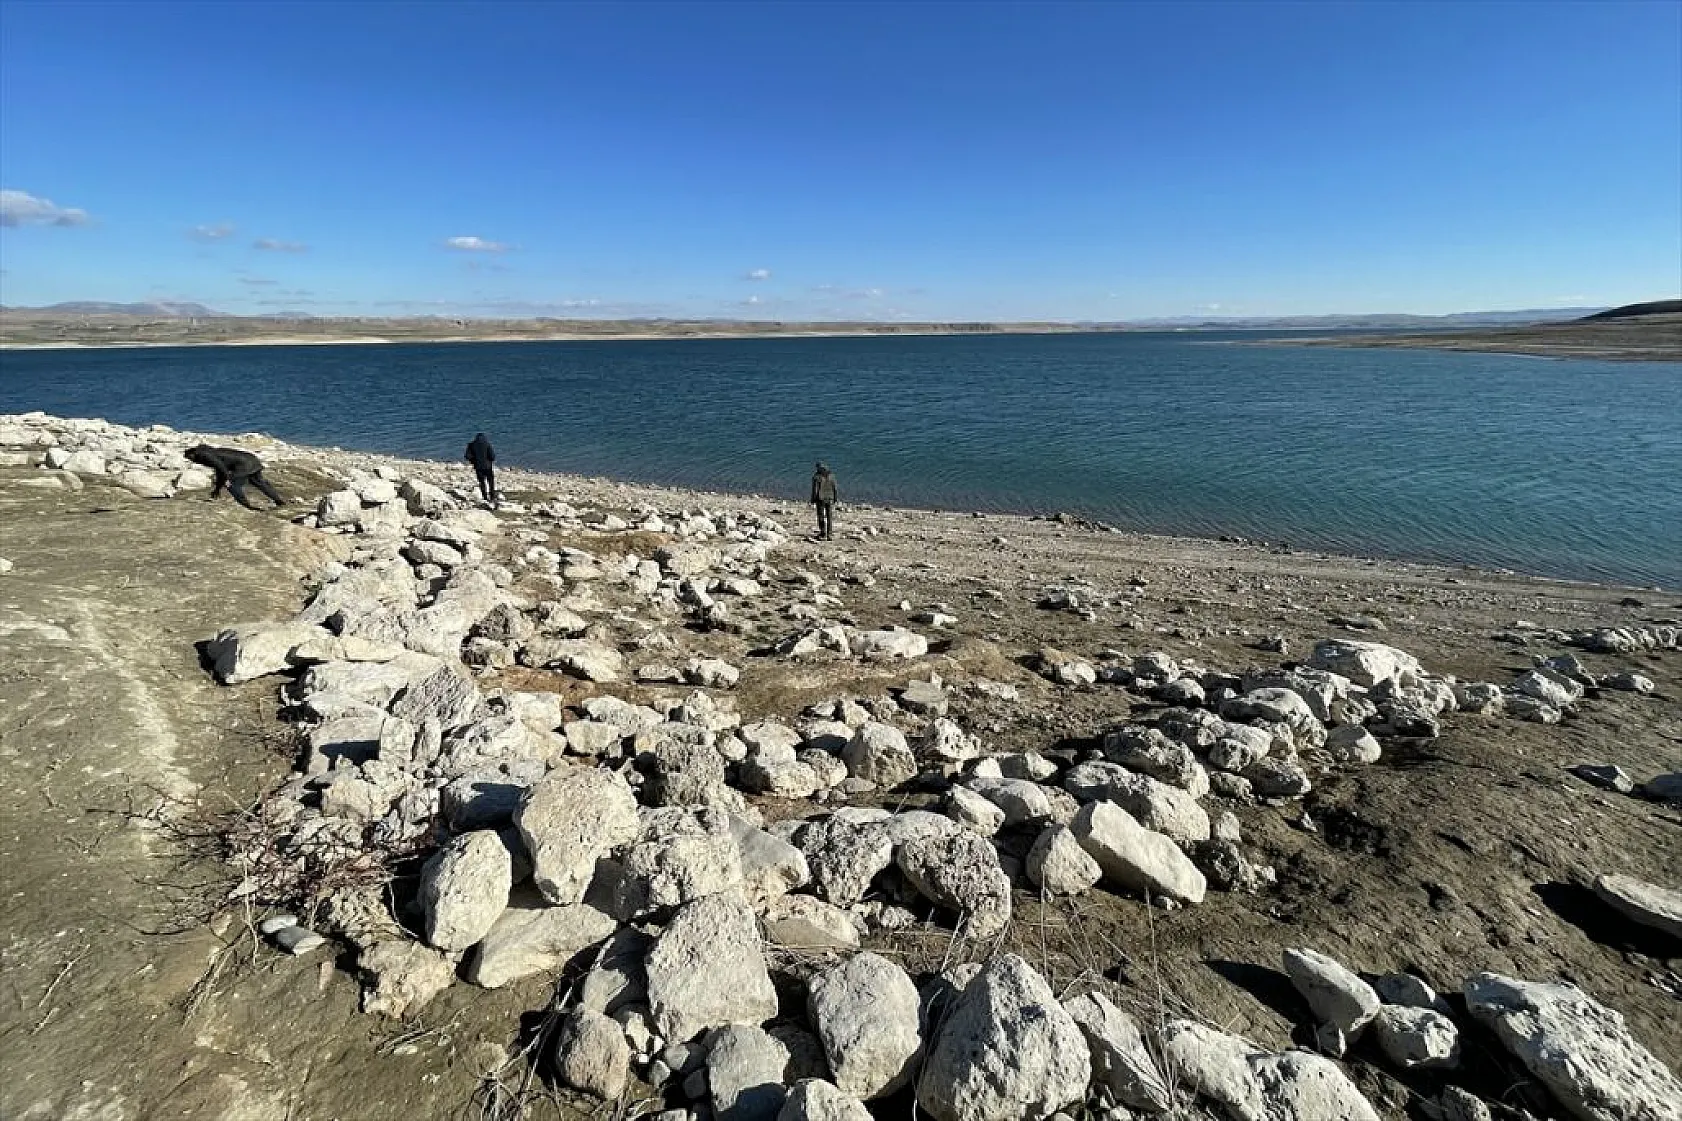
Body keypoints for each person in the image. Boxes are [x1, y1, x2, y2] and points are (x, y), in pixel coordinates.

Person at [184, 445, 287, 509]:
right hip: (251, 459)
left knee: (231, 485)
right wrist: (217, 488)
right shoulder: (207, 451)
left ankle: (247, 506)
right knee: (259, 482)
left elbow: (221, 469)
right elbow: (220, 470)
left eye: (190, 458)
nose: (191, 461)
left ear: (193, 454)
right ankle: (279, 501)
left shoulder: (205, 456)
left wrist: (222, 485)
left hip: (244, 465)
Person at [464, 432, 497, 507]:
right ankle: (492, 497)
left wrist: (473, 461)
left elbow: (467, 456)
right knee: (491, 482)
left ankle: (485, 497)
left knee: (482, 482)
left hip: (478, 467)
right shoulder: (487, 444)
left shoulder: (471, 445)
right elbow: (492, 456)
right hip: (488, 467)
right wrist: (489, 461)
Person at [810, 461, 838, 540]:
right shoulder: (832, 476)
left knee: (821, 516)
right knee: (829, 516)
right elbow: (835, 488)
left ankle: (823, 533)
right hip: (830, 498)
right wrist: (836, 497)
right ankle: (830, 534)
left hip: (820, 498)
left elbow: (815, 490)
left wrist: (812, 499)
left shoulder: (816, 477)